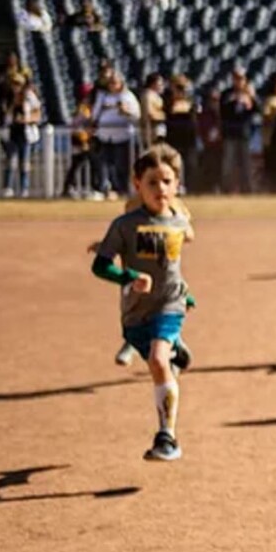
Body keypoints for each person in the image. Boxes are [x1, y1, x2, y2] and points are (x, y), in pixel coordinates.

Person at [90, 144, 196, 460]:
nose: (160, 189)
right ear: (138, 184)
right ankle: (176, 349)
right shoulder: (124, 225)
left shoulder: (179, 221)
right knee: (158, 360)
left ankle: (167, 438)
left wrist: (184, 295)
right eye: (152, 182)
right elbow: (100, 265)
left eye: (167, 181)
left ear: (176, 184)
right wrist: (128, 277)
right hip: (135, 315)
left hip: (169, 305)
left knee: (157, 361)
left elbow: (173, 262)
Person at [93, 70, 140, 200]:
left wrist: (125, 111)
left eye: (115, 83)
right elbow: (95, 114)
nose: (112, 85)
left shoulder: (128, 97)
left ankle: (122, 189)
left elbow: (136, 115)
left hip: (122, 136)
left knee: (121, 164)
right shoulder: (103, 97)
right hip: (104, 135)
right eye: (110, 83)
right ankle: (105, 188)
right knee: (104, 164)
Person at [219, 69, 259, 195]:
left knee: (246, 163)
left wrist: (251, 98)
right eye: (236, 78)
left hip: (244, 133)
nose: (239, 81)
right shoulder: (227, 94)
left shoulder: (249, 94)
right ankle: (226, 189)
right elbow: (222, 111)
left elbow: (258, 110)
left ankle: (248, 189)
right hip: (230, 133)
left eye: (241, 78)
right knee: (228, 163)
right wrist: (233, 100)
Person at [3, 77, 43, 197]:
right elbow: (6, 115)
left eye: (18, 84)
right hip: (12, 132)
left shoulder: (29, 97)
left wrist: (27, 119)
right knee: (11, 160)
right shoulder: (9, 97)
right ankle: (8, 187)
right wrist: (13, 104)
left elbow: (38, 114)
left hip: (25, 134)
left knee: (24, 162)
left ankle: (24, 188)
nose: (16, 87)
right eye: (14, 84)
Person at [166, 75, 200, 195]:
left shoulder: (192, 103)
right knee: (174, 164)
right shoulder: (168, 102)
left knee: (190, 163)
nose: (181, 92)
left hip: (189, 138)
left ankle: (190, 188)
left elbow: (194, 117)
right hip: (174, 138)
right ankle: (175, 186)